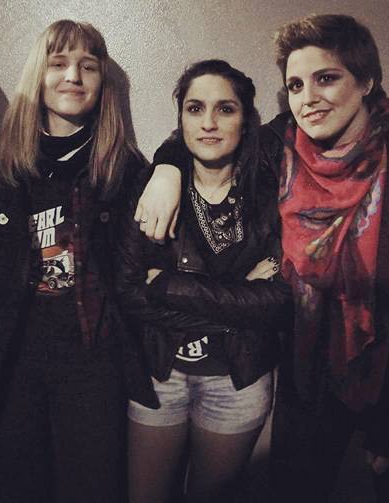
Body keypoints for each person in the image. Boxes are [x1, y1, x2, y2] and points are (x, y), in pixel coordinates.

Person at [136, 14, 389, 503]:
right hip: (311, 372)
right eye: (296, 85)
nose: (308, 98)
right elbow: (208, 133)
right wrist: (167, 169)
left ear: (366, 80)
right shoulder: (281, 146)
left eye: (326, 78)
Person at [0, 19, 143, 503]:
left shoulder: (123, 166)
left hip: (92, 364)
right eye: (59, 63)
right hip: (11, 362)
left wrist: (171, 168)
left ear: (102, 81)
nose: (73, 76)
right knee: (19, 489)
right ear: (39, 74)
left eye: (88, 66)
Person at [116, 60, 291, 503]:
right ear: (181, 119)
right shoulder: (150, 186)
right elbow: (131, 293)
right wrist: (241, 300)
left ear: (245, 120)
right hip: (161, 376)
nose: (209, 123)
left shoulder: (272, 192)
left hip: (237, 383)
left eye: (224, 109)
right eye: (195, 108)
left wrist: (168, 285)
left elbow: (277, 302)